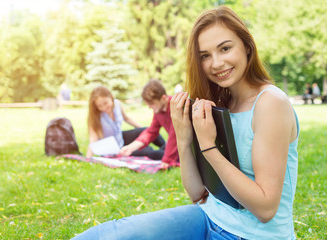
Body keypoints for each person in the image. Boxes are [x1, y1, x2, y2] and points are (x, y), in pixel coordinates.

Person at [71, 6, 299, 240]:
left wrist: (209, 147)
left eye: (225, 48)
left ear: (247, 46)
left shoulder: (271, 103)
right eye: (205, 56)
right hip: (207, 217)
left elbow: (265, 208)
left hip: (252, 235)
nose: (217, 63)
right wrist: (182, 136)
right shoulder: (222, 102)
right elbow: (197, 193)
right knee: (107, 235)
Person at [86, 86, 165, 159]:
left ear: (110, 97)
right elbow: (93, 140)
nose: (103, 108)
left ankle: (166, 147)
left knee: (148, 131)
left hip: (121, 138)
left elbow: (127, 119)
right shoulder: (95, 116)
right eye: (99, 106)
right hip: (113, 149)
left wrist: (145, 130)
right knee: (147, 151)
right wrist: (88, 158)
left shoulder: (117, 104)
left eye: (105, 103)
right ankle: (164, 154)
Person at [119, 79, 179, 168]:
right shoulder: (158, 112)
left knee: (160, 154)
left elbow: (175, 135)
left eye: (152, 103)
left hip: (184, 147)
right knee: (153, 154)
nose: (149, 107)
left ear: (163, 98)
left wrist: (167, 160)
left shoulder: (175, 107)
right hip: (173, 145)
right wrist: (131, 147)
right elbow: (151, 131)